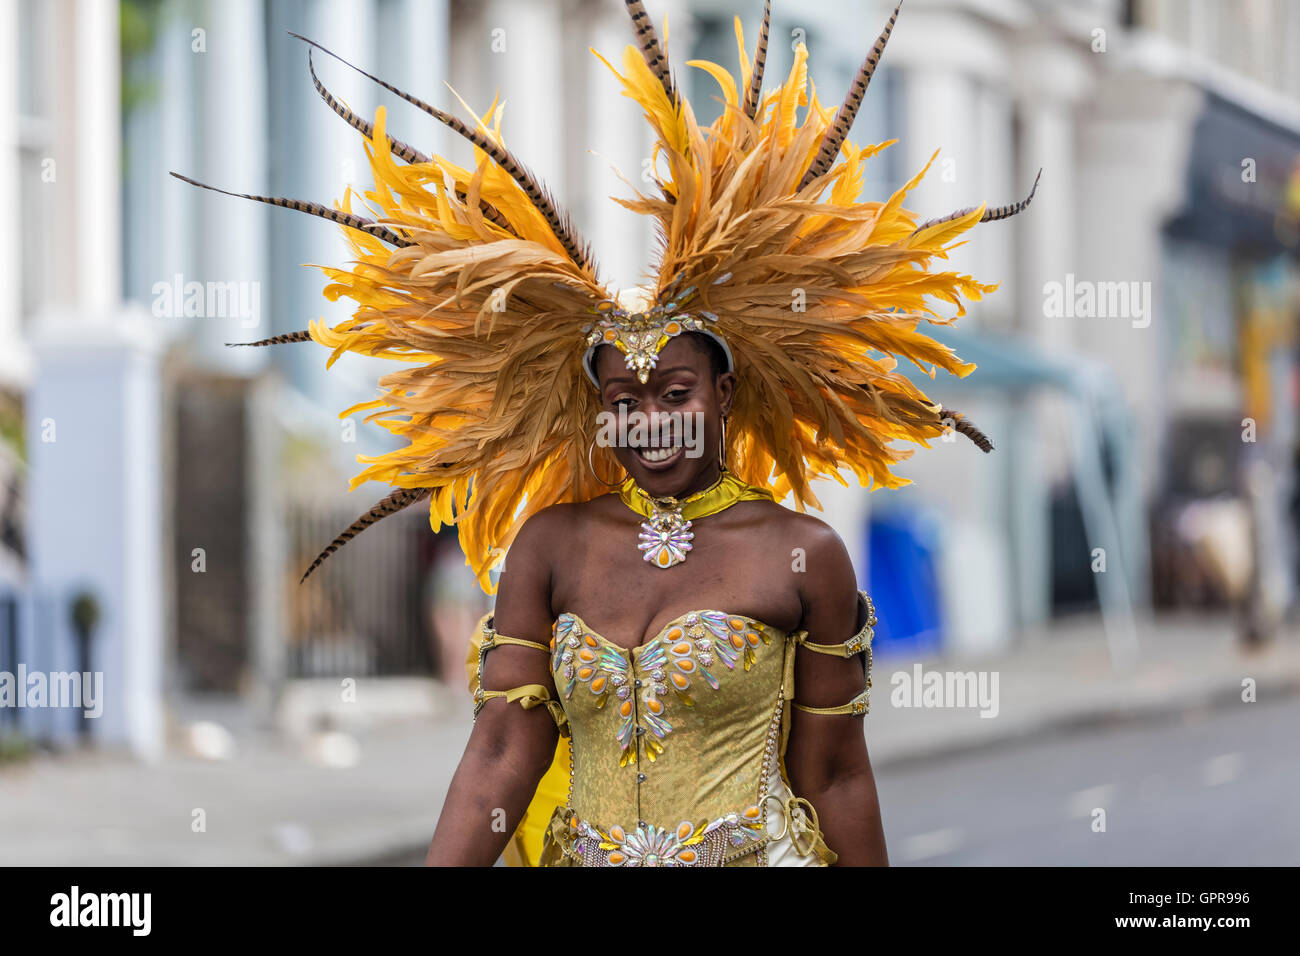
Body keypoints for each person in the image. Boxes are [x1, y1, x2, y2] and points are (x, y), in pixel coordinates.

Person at [175, 0, 1035, 866]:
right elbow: (504, 752)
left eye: (674, 392)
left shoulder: (800, 554)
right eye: (624, 397)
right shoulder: (554, 547)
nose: (648, 421)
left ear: (724, 393)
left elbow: (837, 774)